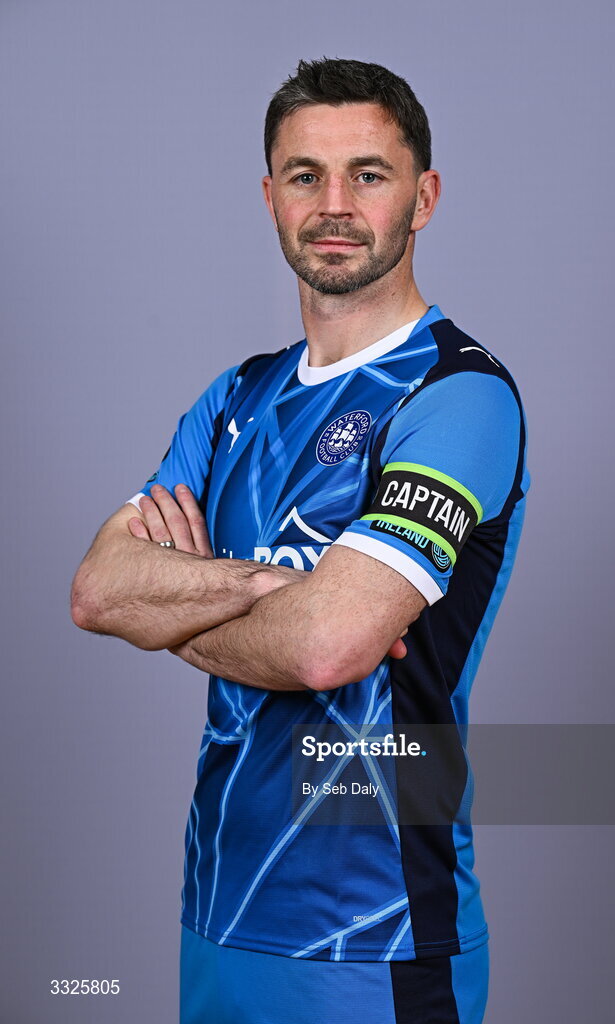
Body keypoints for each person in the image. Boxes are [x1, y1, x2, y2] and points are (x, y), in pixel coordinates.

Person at [71, 57, 529, 1024]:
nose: (334, 204)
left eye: (368, 173)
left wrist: (186, 597)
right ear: (270, 196)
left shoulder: (457, 397)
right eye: (303, 174)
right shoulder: (236, 395)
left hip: (372, 931)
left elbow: (329, 648)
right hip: (217, 909)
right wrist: (291, 589)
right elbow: (101, 591)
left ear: (423, 195)